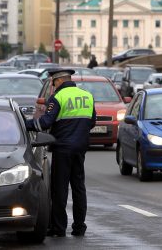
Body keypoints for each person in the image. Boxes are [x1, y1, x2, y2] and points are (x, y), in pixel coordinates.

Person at [25, 69, 96, 238]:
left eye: (52, 83)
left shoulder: (58, 97)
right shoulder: (87, 96)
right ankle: (79, 227)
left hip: (63, 148)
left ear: (57, 81)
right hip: (80, 147)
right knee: (79, 187)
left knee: (60, 188)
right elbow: (92, 122)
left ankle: (59, 228)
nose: (52, 86)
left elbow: (45, 122)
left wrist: (25, 124)